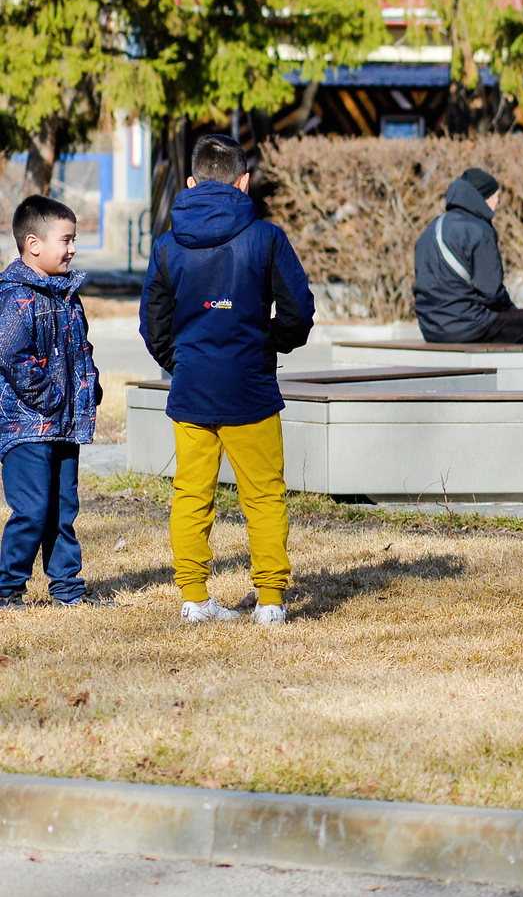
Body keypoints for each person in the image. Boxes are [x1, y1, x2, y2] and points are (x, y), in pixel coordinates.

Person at [142, 133, 316, 625]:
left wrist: (182, 362)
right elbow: (299, 310)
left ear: (192, 182)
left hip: (192, 390)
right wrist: (271, 344)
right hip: (251, 388)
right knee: (262, 494)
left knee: (191, 494)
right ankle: (271, 603)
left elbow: (153, 326)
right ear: (244, 182)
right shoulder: (266, 237)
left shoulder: (166, 245)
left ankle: (194, 600)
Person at [0, 196, 101, 606]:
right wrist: (50, 397)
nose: (73, 248)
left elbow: (82, 349)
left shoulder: (66, 295)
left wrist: (89, 388)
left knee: (63, 509)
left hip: (63, 424)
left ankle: (67, 588)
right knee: (32, 510)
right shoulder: (16, 297)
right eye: (67, 239)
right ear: (34, 244)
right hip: (27, 426)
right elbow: (9, 353)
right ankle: (7, 588)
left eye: (74, 239)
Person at [412, 167, 523, 345]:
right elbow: (492, 294)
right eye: (498, 197)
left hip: (431, 328)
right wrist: (513, 312)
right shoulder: (478, 229)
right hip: (466, 326)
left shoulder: (432, 227)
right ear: (484, 198)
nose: (498, 204)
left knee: (515, 324)